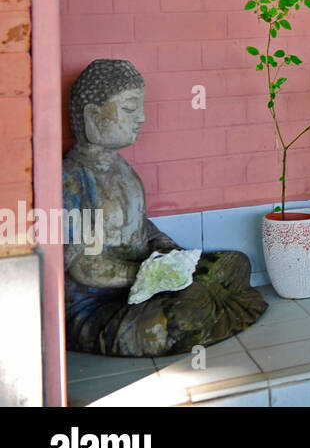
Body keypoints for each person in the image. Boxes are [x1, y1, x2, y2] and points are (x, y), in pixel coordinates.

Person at [63, 59, 266, 356]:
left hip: (147, 280)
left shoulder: (122, 170)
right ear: (93, 116)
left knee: (235, 263)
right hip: (100, 307)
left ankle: (203, 302)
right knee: (182, 312)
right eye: (130, 109)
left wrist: (172, 253)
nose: (142, 118)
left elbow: (141, 228)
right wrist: (148, 274)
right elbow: (84, 266)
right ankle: (205, 308)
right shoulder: (73, 180)